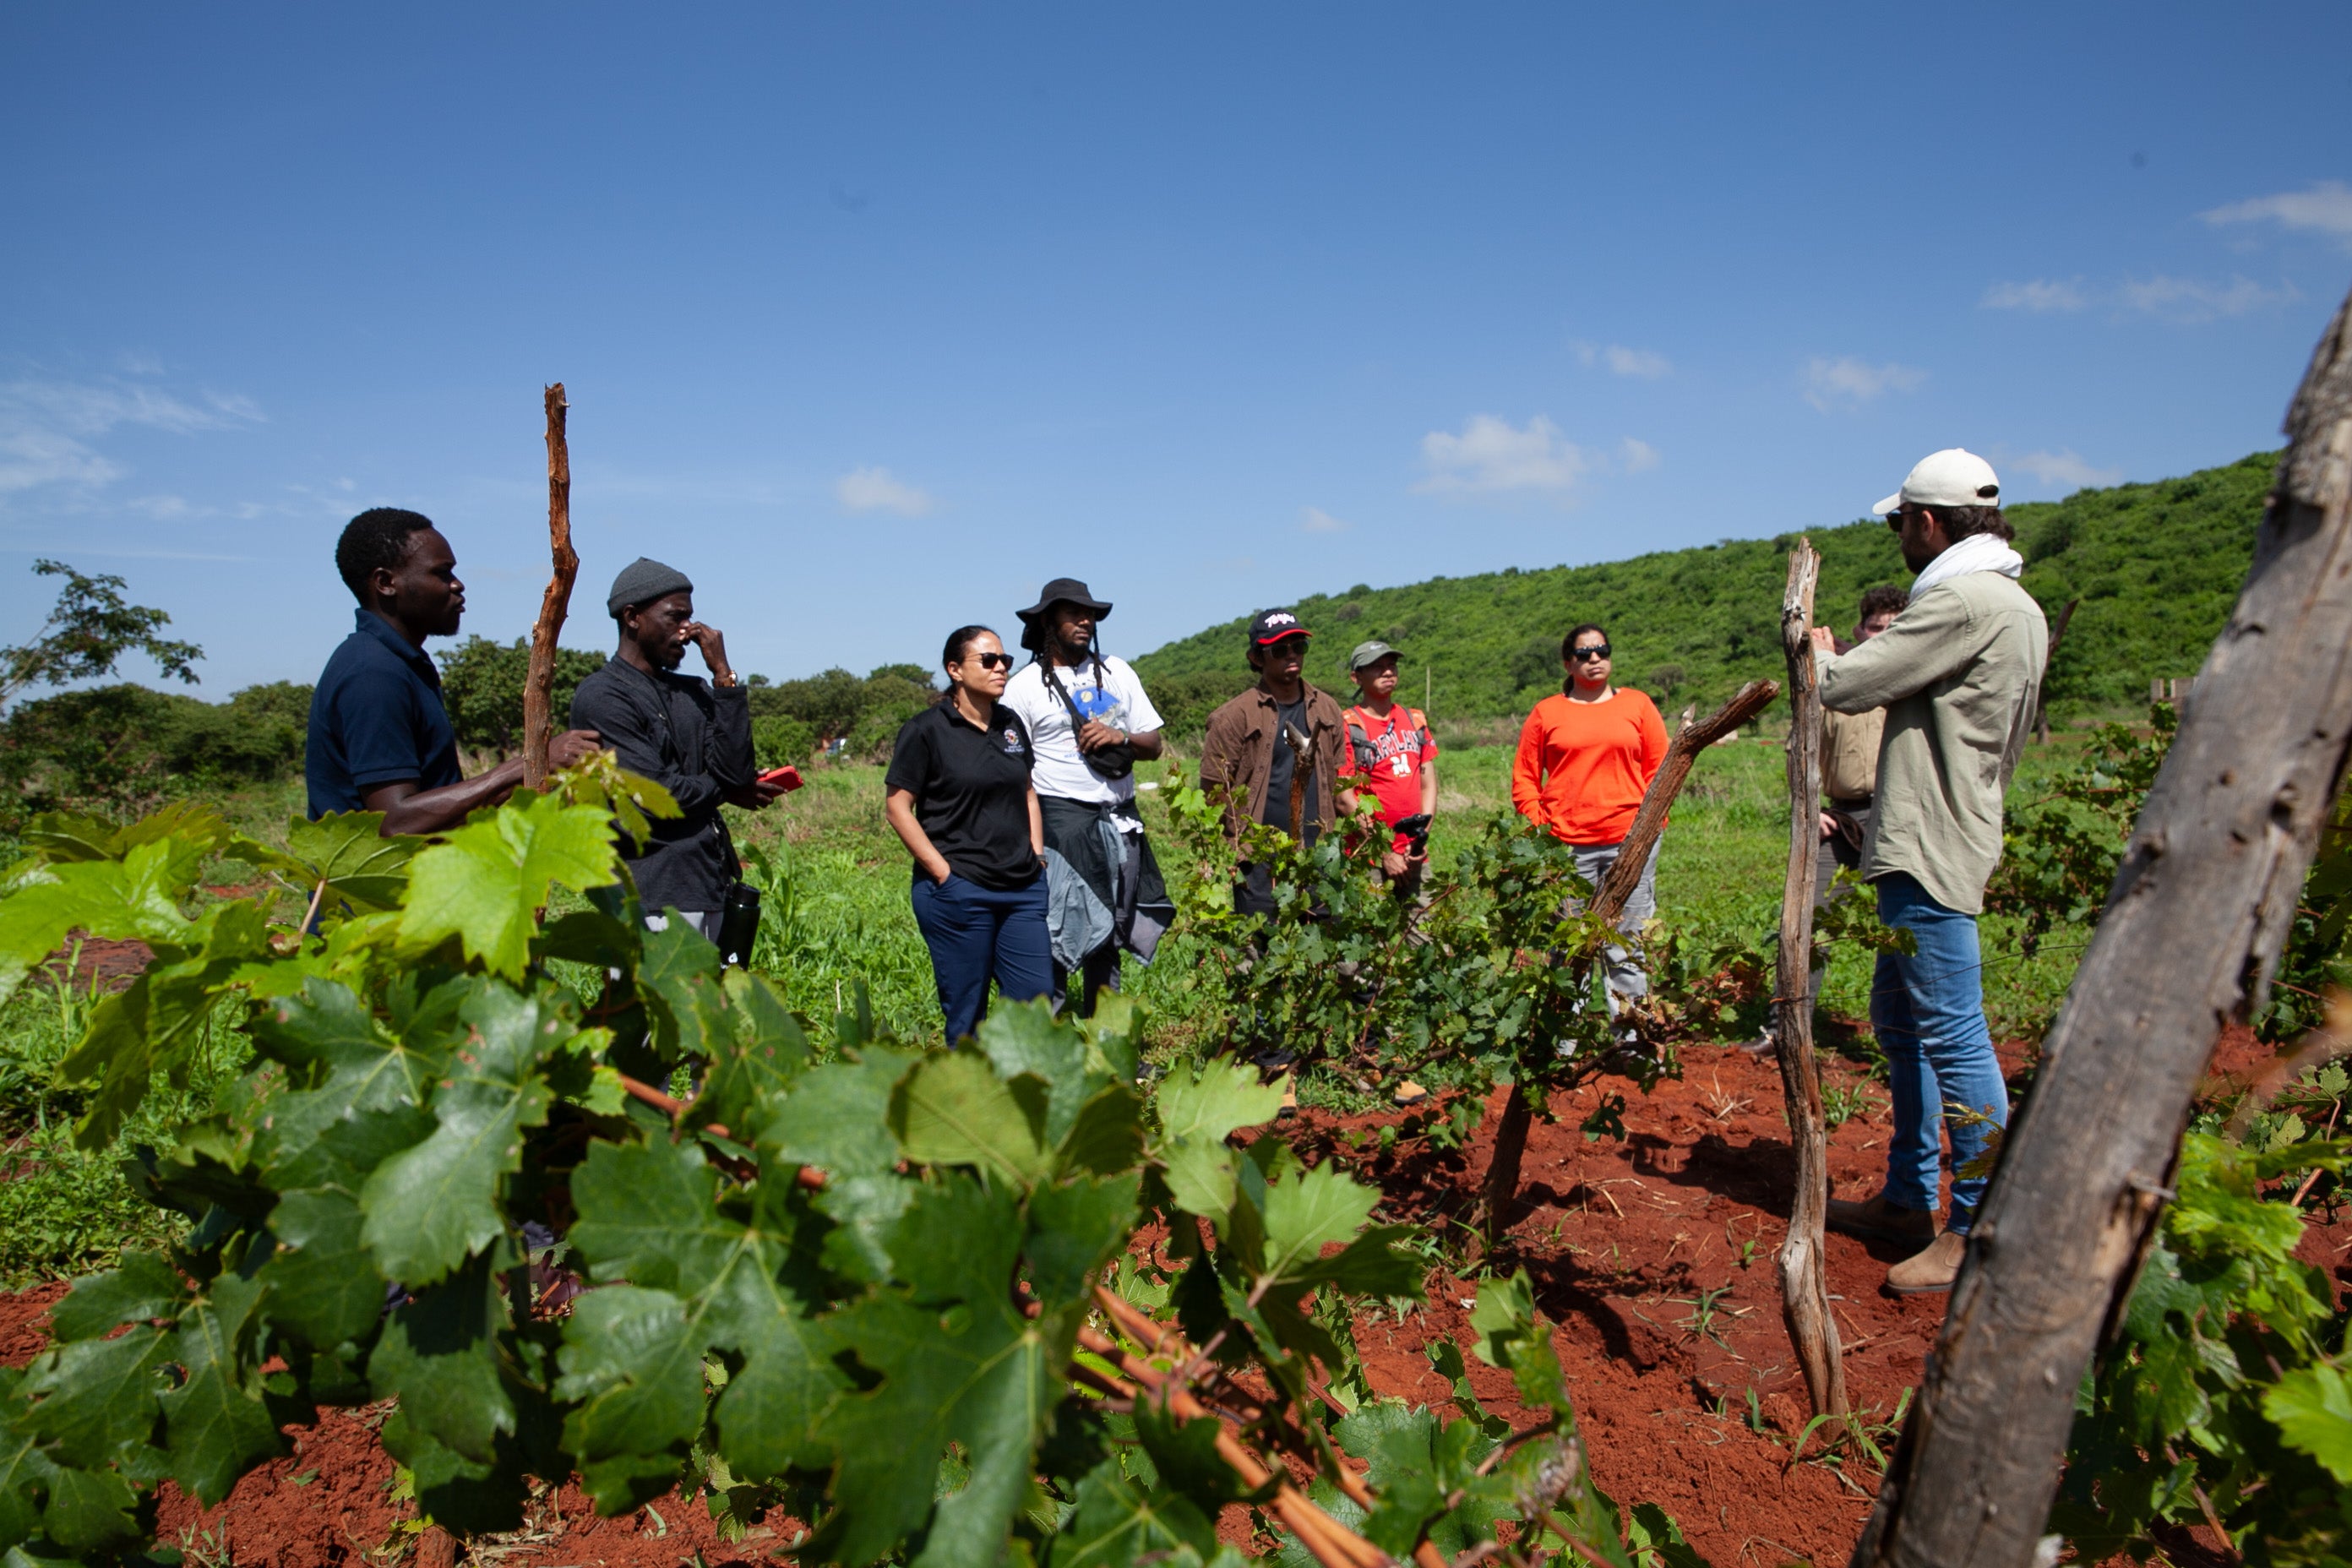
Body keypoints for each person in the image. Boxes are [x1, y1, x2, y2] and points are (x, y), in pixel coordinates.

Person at [1812, 448, 2048, 1295]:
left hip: (1928, 838)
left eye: (1899, 521)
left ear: (1928, 520)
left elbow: (1848, 682)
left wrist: (1809, 647)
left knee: (1951, 1030)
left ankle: (1975, 1222)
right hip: (1942, 830)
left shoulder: (1957, 598)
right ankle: (1909, 1196)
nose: (1897, 536)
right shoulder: (2015, 603)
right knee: (1903, 1021)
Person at [308, 508, 601, 835]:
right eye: (442, 573)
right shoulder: (372, 674)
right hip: (376, 886)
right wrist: (532, 763)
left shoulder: (404, 664)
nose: (457, 585)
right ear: (386, 583)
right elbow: (394, 821)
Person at [568, 558, 783, 935]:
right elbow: (657, 796)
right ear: (633, 617)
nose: (688, 631)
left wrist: (724, 678)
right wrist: (726, 789)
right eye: (675, 617)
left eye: (690, 618)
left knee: (717, 995)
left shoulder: (696, 691)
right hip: (652, 895)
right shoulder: (604, 696)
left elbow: (735, 771)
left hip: (710, 884)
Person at [1197, 608, 1352, 1112]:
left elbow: (1337, 777)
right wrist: (1242, 843)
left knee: (1333, 946)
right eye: (1279, 649)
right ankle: (1274, 1064)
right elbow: (1214, 790)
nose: (1291, 657)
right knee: (1261, 958)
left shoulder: (1326, 707)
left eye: (1297, 647)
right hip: (1260, 856)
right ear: (1257, 657)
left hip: (1318, 850)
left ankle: (1341, 1049)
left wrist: (1356, 825)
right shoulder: (1235, 714)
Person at [1002, 578, 1176, 1017]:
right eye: (1073, 613)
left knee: (1109, 937)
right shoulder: (1023, 688)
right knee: (1058, 935)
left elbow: (1153, 745)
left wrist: (1120, 735)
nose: (1085, 620)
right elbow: (1010, 767)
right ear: (1047, 622)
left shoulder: (1118, 671)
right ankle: (1055, 1051)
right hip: (1061, 824)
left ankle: (1108, 1048)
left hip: (1121, 823)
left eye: (1090, 614)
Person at [885, 626, 1054, 1043]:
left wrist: (1037, 855)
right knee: (967, 1012)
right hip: (961, 889)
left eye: (1005, 660)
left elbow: (1028, 792)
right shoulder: (927, 730)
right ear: (955, 670)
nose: (1001, 668)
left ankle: (1021, 1097)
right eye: (989, 660)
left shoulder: (1010, 724)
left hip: (1022, 888)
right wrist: (943, 874)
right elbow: (897, 806)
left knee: (1035, 1003)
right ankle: (969, 1102)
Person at [1509, 623, 1669, 1004]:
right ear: (1568, 663)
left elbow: (1661, 771)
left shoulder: (1638, 705)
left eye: (1602, 650)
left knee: (1626, 942)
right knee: (1569, 945)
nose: (1594, 658)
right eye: (1584, 653)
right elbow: (1524, 778)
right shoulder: (1547, 712)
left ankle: (1631, 1041)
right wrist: (1542, 828)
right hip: (1566, 847)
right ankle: (1565, 1043)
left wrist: (1650, 827)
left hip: (1629, 842)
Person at [1337, 640, 1440, 902]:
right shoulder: (1348, 726)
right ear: (1356, 677)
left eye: (1391, 665)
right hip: (1369, 856)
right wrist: (1384, 852)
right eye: (1376, 667)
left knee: (1425, 934)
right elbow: (1344, 799)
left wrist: (1419, 840)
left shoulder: (1414, 719)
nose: (1387, 672)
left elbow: (1428, 785)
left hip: (1412, 853)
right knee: (1372, 937)